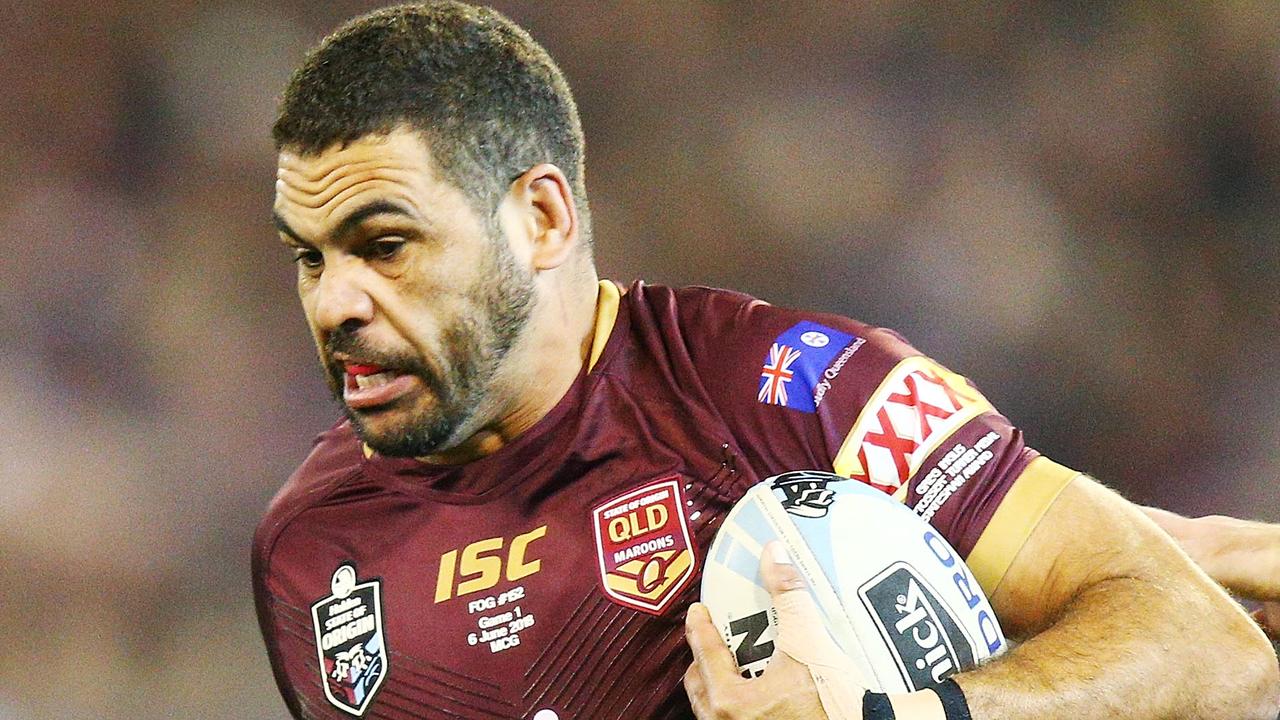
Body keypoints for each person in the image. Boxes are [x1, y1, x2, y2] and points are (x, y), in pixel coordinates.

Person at [253, 3, 1279, 719]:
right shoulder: (308, 554)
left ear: (539, 218)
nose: (334, 302)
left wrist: (891, 716)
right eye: (309, 257)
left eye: (384, 246)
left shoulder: (791, 389)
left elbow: (1210, 654)